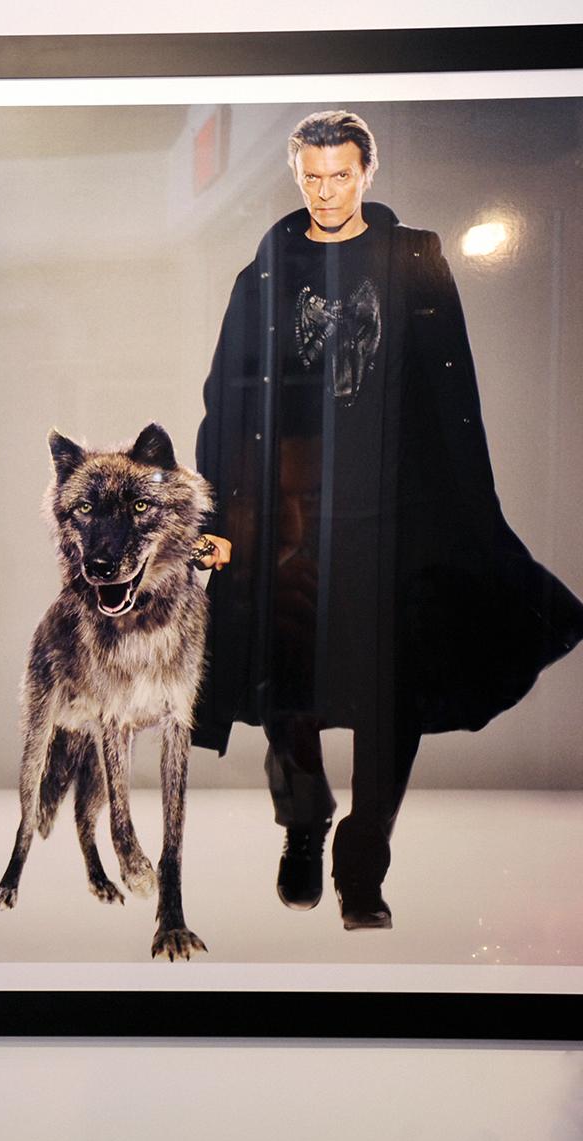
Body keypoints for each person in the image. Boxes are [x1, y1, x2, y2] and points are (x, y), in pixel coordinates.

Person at [192, 110, 583, 929]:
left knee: (388, 693)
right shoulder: (264, 272)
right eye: (312, 176)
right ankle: (304, 822)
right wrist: (225, 509)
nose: (325, 191)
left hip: (398, 515)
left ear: (368, 171)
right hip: (295, 513)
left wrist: (468, 509)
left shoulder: (415, 260)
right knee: (285, 688)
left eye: (341, 175)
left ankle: (362, 865)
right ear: (296, 174)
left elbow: (454, 391)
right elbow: (224, 397)